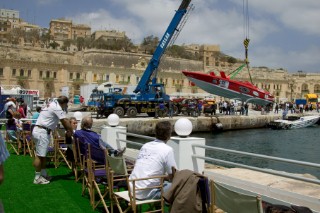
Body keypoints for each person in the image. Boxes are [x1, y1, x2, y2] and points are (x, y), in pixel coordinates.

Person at [129, 121, 177, 200]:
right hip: (145, 193)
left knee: (163, 183)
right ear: (169, 135)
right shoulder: (168, 150)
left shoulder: (145, 146)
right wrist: (165, 177)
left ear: (155, 133)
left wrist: (162, 177)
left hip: (132, 189)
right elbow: (173, 175)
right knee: (178, 186)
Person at [32, 96, 74, 184]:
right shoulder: (57, 108)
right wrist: (71, 131)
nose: (65, 107)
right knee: (39, 156)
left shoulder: (51, 103)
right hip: (42, 132)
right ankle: (37, 178)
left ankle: (43, 175)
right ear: (64, 103)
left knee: (42, 155)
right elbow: (65, 121)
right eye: (66, 105)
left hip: (40, 131)